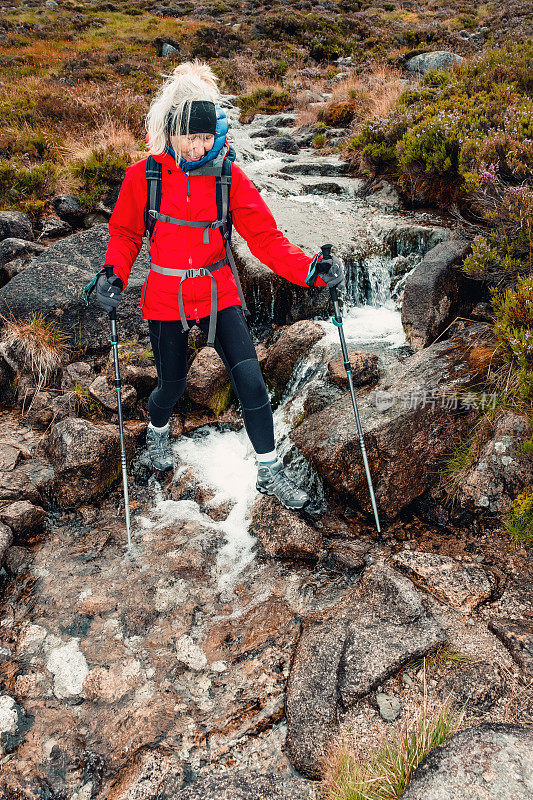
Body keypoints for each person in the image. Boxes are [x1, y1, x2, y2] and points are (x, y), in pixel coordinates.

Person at [94, 59, 345, 511]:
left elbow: (265, 238)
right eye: (189, 136)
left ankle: (269, 471)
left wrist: (310, 270)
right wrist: (114, 273)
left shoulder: (229, 177)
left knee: (250, 380)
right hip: (166, 298)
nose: (197, 146)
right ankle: (157, 434)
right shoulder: (144, 177)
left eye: (206, 137)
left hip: (218, 291)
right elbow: (126, 235)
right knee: (170, 386)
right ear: (170, 133)